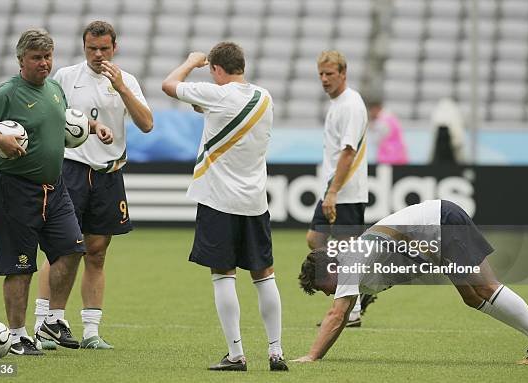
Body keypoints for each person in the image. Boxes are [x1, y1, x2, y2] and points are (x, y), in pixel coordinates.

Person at [0, 29, 113, 355]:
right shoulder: (7, 92)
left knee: (73, 249)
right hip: (15, 189)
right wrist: (0, 139)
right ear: (21, 61)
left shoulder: (55, 89)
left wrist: (93, 127)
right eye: (36, 58)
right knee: (21, 267)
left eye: (48, 57)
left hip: (55, 188)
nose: (44, 63)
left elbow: (61, 124)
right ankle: (16, 336)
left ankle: (52, 320)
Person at [294, 199, 528, 365]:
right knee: (471, 296)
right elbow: (341, 315)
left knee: (486, 286)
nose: (327, 293)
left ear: (330, 268)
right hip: (435, 236)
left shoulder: (350, 259)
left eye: (321, 287)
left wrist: (312, 356)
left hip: (441, 224)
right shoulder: (351, 261)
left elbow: (336, 314)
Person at [161, 42, 287, 372]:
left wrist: (189, 62)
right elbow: (219, 113)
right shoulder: (264, 97)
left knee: (223, 275)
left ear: (216, 69)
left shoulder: (215, 94)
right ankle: (276, 352)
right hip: (255, 201)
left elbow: (168, 85)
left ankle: (236, 355)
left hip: (218, 200)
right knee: (264, 275)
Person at [33, 20, 153, 350]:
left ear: (115, 48)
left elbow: (146, 124)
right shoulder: (66, 77)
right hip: (70, 170)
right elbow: (48, 115)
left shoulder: (126, 80)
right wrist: (89, 125)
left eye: (104, 48)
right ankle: (43, 324)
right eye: (92, 48)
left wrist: (123, 89)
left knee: (97, 254)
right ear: (83, 47)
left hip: (108, 173)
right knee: (61, 249)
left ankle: (91, 332)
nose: (98, 54)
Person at [307, 50, 374, 327]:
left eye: (330, 74)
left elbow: (348, 153)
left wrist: (334, 192)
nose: (324, 79)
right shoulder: (338, 103)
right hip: (333, 190)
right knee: (315, 239)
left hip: (347, 191)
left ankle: (353, 308)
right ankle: (354, 292)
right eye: (321, 74)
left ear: (343, 74)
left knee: (347, 248)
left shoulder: (351, 104)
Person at [366, 96, 408, 165]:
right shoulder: (390, 117)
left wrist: (372, 128)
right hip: (399, 155)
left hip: (388, 158)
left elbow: (376, 140)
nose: (370, 113)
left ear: (375, 109)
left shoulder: (382, 121)